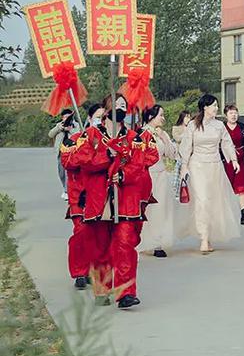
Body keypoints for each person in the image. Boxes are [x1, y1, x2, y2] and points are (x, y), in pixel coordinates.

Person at [106, 115, 159, 308]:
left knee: (126, 242)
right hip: (100, 198)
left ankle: (125, 292)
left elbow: (142, 162)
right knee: (103, 245)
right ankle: (102, 285)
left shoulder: (135, 138)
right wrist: (106, 159)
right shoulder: (92, 136)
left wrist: (122, 173)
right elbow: (76, 161)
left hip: (128, 197)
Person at [179, 93, 241, 253]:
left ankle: (208, 235)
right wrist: (184, 166)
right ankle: (203, 238)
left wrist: (233, 160)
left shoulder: (219, 126)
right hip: (197, 165)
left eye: (217, 105)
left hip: (215, 166)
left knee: (214, 201)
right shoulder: (193, 125)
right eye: (214, 105)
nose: (216, 108)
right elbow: (186, 146)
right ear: (205, 107)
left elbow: (227, 143)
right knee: (202, 200)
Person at [66, 103, 115, 303]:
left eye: (104, 117)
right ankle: (80, 272)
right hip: (82, 195)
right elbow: (69, 162)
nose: (102, 120)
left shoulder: (115, 138)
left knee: (107, 242)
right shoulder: (78, 139)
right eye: (98, 116)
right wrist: (95, 152)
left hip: (109, 197)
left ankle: (109, 284)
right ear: (89, 118)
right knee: (83, 234)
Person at [139, 105, 178, 258]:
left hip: (161, 175)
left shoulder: (162, 134)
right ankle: (145, 240)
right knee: (148, 210)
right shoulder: (141, 134)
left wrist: (164, 138)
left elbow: (172, 154)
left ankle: (158, 242)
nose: (163, 118)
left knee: (161, 209)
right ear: (151, 117)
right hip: (146, 175)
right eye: (161, 115)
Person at [222, 104, 244, 225]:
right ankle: (226, 213)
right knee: (227, 186)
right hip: (227, 160)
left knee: (242, 186)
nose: (234, 115)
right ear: (226, 115)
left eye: (235, 113)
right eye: (231, 113)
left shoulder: (242, 126)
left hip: (241, 158)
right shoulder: (222, 127)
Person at [49, 108, 75, 199]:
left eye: (68, 117)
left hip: (73, 152)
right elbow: (50, 134)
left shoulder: (76, 125)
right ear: (62, 118)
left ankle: (68, 190)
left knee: (70, 172)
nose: (66, 119)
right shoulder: (59, 126)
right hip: (61, 153)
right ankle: (65, 188)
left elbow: (79, 134)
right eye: (65, 117)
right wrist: (60, 128)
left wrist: (70, 130)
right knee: (61, 173)